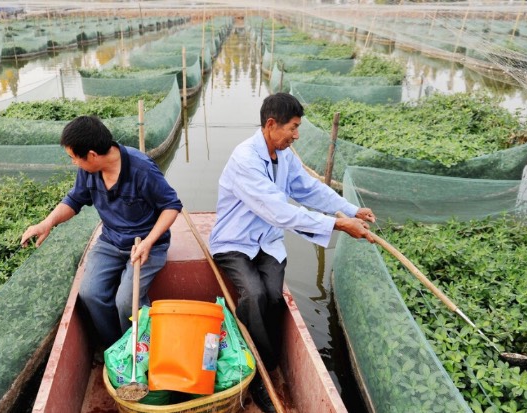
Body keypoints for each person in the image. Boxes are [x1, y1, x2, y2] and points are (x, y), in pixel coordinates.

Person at [209, 93, 376, 412]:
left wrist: (350, 209)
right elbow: (279, 212)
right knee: (256, 295)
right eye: (294, 127)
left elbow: (309, 190)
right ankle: (261, 374)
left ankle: (246, 326)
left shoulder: (284, 155)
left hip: (267, 242)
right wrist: (339, 226)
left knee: (273, 297)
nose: (297, 135)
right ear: (271, 125)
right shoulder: (245, 159)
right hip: (235, 243)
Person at [20, 115, 182, 349]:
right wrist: (47, 223)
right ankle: (115, 348)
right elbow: (74, 200)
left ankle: (138, 350)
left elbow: (171, 206)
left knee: (127, 302)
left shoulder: (142, 168)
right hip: (110, 241)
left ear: (92, 155)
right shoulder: (89, 170)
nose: (74, 163)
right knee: (90, 293)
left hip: (145, 245)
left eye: (74, 158)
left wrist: (148, 242)